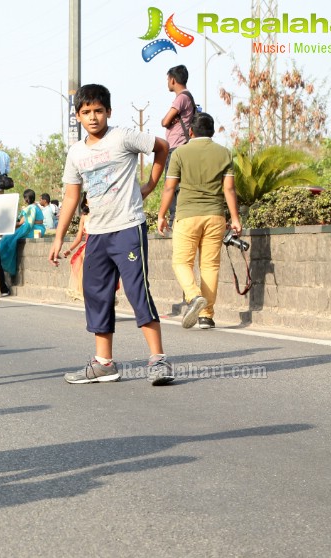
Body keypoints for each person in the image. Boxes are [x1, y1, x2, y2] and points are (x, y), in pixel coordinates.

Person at [48, 84, 175, 386]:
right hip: (97, 233)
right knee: (96, 294)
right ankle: (104, 362)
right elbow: (70, 197)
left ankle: (159, 360)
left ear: (108, 112)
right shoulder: (76, 152)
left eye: (98, 111)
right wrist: (58, 237)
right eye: (86, 112)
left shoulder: (123, 136)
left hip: (128, 226)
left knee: (137, 291)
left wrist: (150, 186)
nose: (93, 117)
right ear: (78, 116)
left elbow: (162, 147)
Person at [156, 112, 242, 330]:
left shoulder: (180, 153)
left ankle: (194, 297)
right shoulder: (224, 153)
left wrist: (161, 214)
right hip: (215, 215)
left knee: (181, 262)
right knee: (210, 265)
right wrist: (235, 218)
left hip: (187, 216)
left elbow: (169, 187)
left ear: (190, 131)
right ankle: (206, 315)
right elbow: (229, 189)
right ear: (212, 132)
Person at [161, 65, 197, 224]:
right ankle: (178, 217)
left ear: (173, 80)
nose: (168, 82)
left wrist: (168, 120)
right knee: (177, 184)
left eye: (168, 79)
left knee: (172, 183)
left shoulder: (181, 98)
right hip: (182, 146)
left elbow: (165, 121)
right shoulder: (187, 97)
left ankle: (174, 219)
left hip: (176, 146)